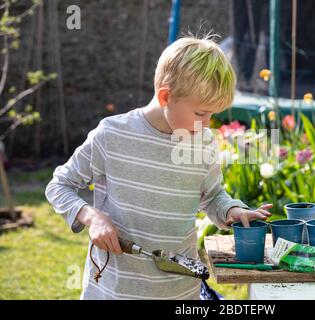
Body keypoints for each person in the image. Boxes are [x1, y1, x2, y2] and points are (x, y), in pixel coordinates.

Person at [45, 33, 272, 300]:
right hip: (114, 291)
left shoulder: (203, 142)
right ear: (165, 96)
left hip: (179, 292)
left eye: (212, 115)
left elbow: (211, 197)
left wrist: (231, 209)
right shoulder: (112, 135)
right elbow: (59, 185)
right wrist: (90, 216)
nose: (207, 123)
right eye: (200, 113)